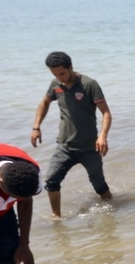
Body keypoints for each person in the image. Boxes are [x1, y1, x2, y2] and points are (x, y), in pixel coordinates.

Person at [31, 51, 113, 219]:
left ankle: (112, 213)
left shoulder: (89, 84)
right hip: (65, 146)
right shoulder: (56, 85)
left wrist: (103, 136)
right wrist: (36, 127)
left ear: (70, 67)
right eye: (55, 74)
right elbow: (45, 102)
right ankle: (56, 218)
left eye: (62, 73)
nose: (59, 78)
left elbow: (106, 113)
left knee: (99, 186)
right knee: (51, 181)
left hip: (89, 147)